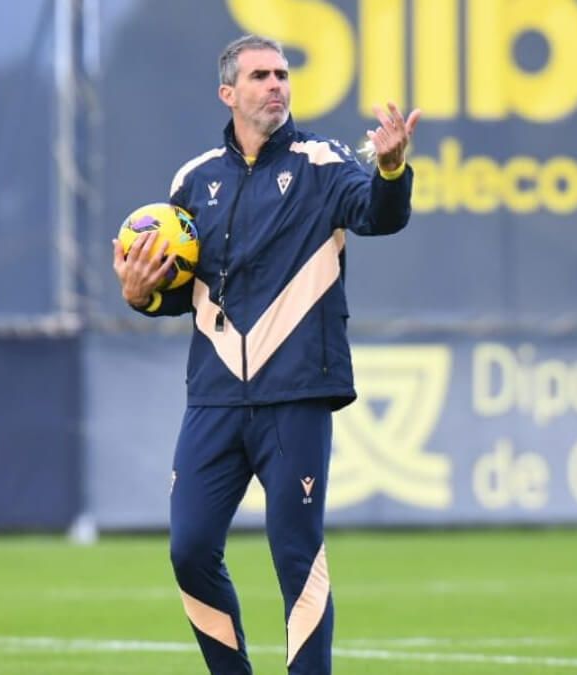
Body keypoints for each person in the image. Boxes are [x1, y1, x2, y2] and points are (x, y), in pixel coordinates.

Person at [112, 34, 419, 675]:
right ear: (229, 92)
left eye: (282, 73)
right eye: (260, 75)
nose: (276, 84)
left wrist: (391, 170)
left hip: (297, 392)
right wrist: (140, 296)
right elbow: (184, 292)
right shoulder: (192, 181)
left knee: (295, 554)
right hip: (216, 395)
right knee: (189, 548)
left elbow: (380, 216)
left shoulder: (324, 163)